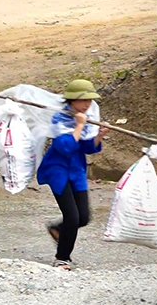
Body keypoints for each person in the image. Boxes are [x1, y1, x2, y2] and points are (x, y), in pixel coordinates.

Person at [37, 79, 109, 270]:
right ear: (72, 100)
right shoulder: (60, 118)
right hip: (58, 169)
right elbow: (64, 147)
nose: (87, 105)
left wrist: (98, 136)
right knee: (72, 216)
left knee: (83, 217)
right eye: (83, 100)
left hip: (76, 169)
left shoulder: (85, 118)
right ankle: (62, 258)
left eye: (89, 101)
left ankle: (58, 229)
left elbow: (87, 147)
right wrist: (78, 126)